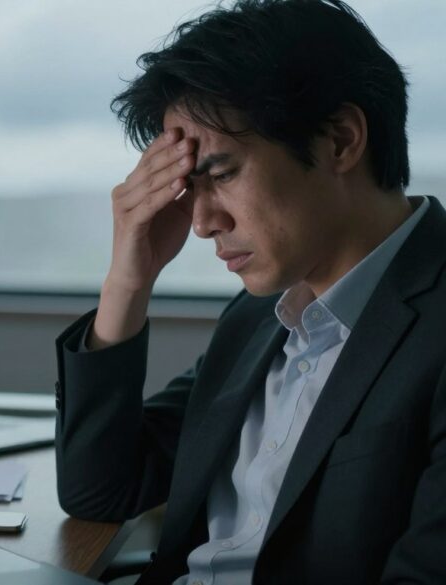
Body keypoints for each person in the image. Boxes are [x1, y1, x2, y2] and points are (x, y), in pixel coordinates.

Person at [54, 1, 446, 583]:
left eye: (222, 173)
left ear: (340, 139)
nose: (203, 221)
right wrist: (128, 282)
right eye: (187, 187)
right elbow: (101, 490)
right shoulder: (261, 317)